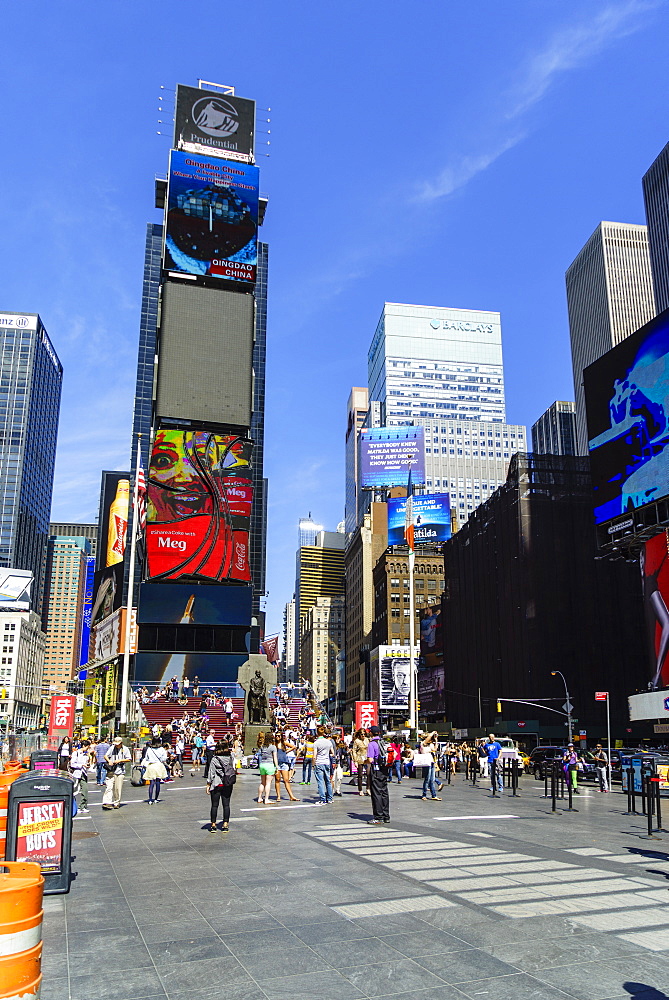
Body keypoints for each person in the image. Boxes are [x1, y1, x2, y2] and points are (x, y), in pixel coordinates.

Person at [206, 740, 236, 832]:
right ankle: (225, 824)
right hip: (228, 783)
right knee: (226, 805)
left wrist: (208, 784)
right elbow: (233, 768)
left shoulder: (215, 759)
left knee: (214, 805)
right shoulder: (231, 757)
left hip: (217, 783)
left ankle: (213, 825)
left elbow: (211, 773)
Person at [367, 725, 390, 824]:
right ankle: (386, 816)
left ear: (371, 733)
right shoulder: (384, 742)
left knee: (376, 793)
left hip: (376, 770)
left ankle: (378, 816)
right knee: (384, 792)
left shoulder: (372, 744)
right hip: (385, 769)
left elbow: (370, 759)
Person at [102, 736, 131, 810]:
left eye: (118, 744)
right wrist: (109, 761)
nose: (116, 745)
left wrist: (120, 760)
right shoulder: (112, 747)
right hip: (111, 770)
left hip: (120, 771)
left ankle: (116, 802)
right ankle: (107, 802)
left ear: (121, 743)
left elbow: (129, 759)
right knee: (109, 786)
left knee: (118, 788)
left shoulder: (125, 749)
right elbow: (105, 755)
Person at [142, 737, 168, 804]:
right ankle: (156, 799)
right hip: (159, 765)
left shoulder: (149, 749)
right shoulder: (161, 749)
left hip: (151, 765)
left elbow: (146, 758)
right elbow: (164, 758)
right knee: (158, 782)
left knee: (151, 783)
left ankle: (150, 799)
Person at [313, 725, 335, 805]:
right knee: (328, 781)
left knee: (320, 782)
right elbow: (332, 753)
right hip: (326, 762)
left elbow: (314, 756)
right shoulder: (328, 742)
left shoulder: (316, 743)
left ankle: (322, 799)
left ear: (317, 733)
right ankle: (330, 798)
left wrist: (313, 764)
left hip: (319, 762)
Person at [275, 735, 299, 802]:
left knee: (286, 780)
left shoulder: (284, 743)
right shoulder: (274, 744)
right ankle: (278, 796)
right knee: (277, 780)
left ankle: (291, 796)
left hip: (284, 763)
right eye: (276, 736)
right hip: (277, 763)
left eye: (279, 736)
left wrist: (286, 751)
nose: (277, 737)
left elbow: (293, 747)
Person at [419, 732, 442, 801]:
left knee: (432, 779)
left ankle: (434, 795)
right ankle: (424, 794)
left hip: (431, 762)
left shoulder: (430, 744)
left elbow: (435, 749)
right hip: (426, 762)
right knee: (427, 779)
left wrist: (436, 740)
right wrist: (432, 733)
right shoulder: (423, 743)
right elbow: (428, 739)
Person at [256, 732, 278, 804]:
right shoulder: (273, 747)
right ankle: (266, 799)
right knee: (268, 783)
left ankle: (259, 798)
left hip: (262, 764)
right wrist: (277, 767)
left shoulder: (262, 746)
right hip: (269, 765)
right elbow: (275, 757)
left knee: (262, 782)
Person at [69, 741, 91, 813]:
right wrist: (81, 765)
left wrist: (87, 765)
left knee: (85, 790)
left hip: (84, 773)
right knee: (74, 790)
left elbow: (86, 764)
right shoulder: (76, 753)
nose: (88, 748)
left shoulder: (86, 755)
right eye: (87, 747)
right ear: (84, 746)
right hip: (77, 773)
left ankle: (82, 806)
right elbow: (72, 764)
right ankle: (72, 806)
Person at [351, 729, 370, 796]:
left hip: (367, 758)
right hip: (359, 758)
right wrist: (355, 761)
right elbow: (354, 751)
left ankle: (368, 788)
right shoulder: (356, 741)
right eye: (362, 734)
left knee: (369, 773)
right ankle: (360, 790)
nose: (363, 736)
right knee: (360, 775)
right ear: (359, 734)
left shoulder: (367, 740)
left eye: (364, 734)